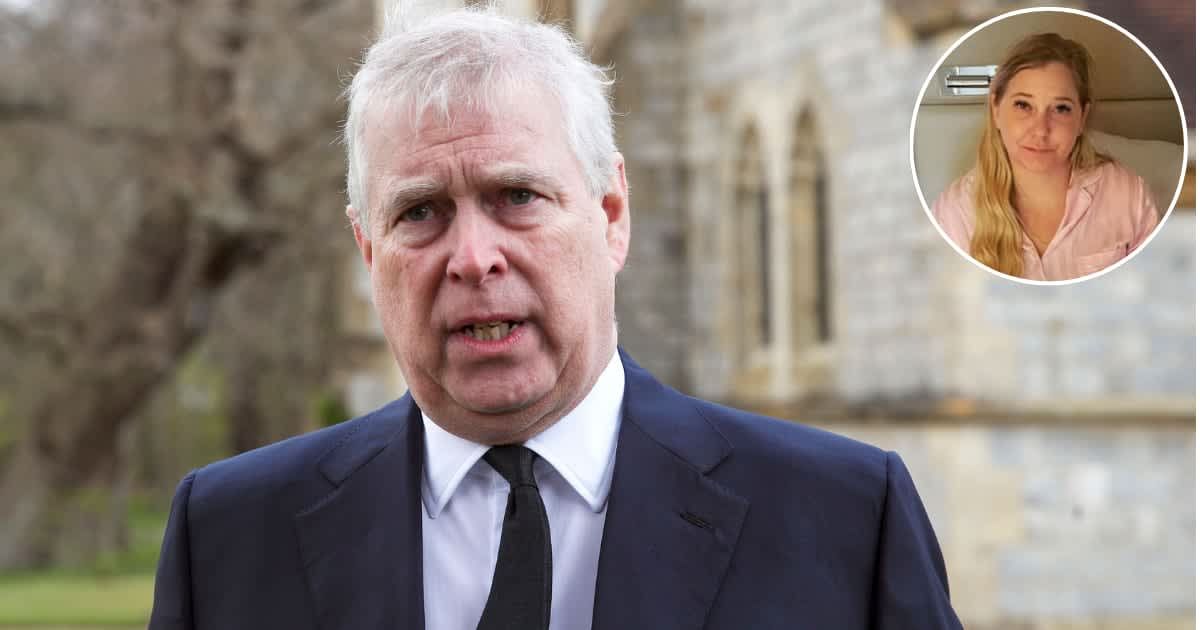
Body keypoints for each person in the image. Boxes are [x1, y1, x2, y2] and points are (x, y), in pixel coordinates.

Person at [149, 8, 962, 630]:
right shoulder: (225, 538)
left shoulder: (848, 519)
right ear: (368, 249)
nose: (473, 257)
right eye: (422, 211)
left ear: (611, 215)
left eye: (517, 197)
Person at [932, 33, 1159, 282]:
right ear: (996, 109)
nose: (1040, 130)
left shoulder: (1127, 194)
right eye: (1023, 105)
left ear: (1082, 117)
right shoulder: (955, 213)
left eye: (1061, 108)